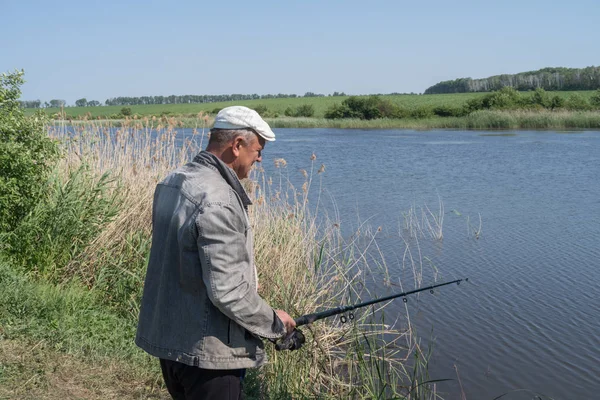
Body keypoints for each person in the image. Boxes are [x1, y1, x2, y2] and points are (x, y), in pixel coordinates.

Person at [136, 106, 297, 399]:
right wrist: (273, 322)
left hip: (173, 346)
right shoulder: (219, 200)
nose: (260, 158)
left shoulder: (173, 181)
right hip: (209, 359)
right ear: (237, 145)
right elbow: (229, 290)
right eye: (258, 150)